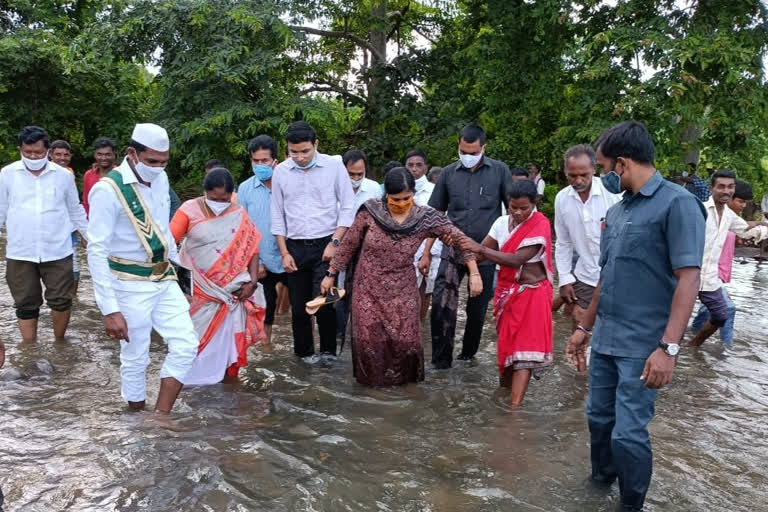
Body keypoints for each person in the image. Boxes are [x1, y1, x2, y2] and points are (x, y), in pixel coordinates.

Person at [566, 121, 705, 512]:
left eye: (604, 166)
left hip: (644, 345)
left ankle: (631, 506)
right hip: (607, 338)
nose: (603, 175)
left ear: (622, 164)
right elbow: (606, 278)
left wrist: (669, 348)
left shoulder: (678, 204)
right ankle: (598, 489)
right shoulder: (618, 210)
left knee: (628, 434)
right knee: (598, 421)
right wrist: (583, 328)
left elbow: (689, 278)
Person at [320, 167, 479, 386]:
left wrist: (474, 272)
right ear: (386, 195)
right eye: (396, 199)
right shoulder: (370, 212)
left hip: (403, 287)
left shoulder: (425, 217)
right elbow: (348, 245)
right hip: (367, 287)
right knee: (370, 343)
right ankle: (373, 394)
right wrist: (331, 274)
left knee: (406, 342)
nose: (402, 203)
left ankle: (407, 392)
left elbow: (460, 239)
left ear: (414, 194)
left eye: (407, 198)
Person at [87, 123, 198, 413]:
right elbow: (96, 250)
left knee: (187, 344)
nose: (158, 168)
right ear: (132, 154)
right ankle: (135, 416)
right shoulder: (107, 190)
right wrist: (109, 309)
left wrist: (183, 284)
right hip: (128, 283)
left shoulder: (161, 180)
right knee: (136, 355)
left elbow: (165, 236)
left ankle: (160, 416)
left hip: (164, 279)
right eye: (152, 162)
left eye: (164, 162)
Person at [424, 124, 512, 368]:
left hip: (484, 250)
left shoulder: (500, 171)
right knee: (441, 303)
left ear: (484, 148)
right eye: (464, 151)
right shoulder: (449, 174)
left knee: (477, 308)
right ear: (458, 147)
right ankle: (441, 361)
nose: (468, 156)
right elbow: (436, 214)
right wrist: (425, 253)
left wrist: (510, 251)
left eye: (473, 152)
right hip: (451, 248)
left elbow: (513, 211)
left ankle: (467, 357)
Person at [459, 179, 553, 405]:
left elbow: (517, 259)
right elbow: (479, 253)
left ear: (535, 203)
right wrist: (465, 252)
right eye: (514, 207)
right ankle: (504, 397)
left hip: (532, 294)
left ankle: (514, 409)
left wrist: (478, 249)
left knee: (524, 353)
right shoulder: (501, 223)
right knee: (507, 349)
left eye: (524, 208)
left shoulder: (541, 223)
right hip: (506, 295)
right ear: (507, 204)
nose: (518, 213)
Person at [170, 168, 266, 384]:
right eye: (214, 198)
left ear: (232, 195)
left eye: (224, 199)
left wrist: (252, 282)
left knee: (225, 347)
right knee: (191, 343)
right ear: (205, 193)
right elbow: (168, 243)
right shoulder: (188, 210)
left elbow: (253, 249)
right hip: (196, 291)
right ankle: (189, 386)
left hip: (231, 294)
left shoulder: (238, 213)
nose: (219, 204)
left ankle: (225, 389)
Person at [271, 121, 355, 361]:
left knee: (324, 303)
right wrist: (284, 252)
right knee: (298, 310)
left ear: (316, 144)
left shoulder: (334, 166)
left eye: (305, 151)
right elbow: (277, 214)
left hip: (326, 244)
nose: (299, 157)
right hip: (295, 246)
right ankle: (303, 359)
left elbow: (348, 206)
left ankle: (328, 356)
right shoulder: (281, 172)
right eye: (293, 152)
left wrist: (335, 242)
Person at [0, 126, 88, 342]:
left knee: (61, 299)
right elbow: (1, 208)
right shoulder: (7, 174)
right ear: (20, 149)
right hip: (21, 251)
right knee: (25, 302)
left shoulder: (63, 176)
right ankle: (30, 349)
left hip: (57, 250)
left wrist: (89, 237)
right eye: (27, 152)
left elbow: (74, 209)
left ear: (47, 151)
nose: (33, 157)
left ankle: (59, 342)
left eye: (38, 153)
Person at [689, 170, 767, 347]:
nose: (726, 191)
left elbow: (744, 229)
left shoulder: (729, 215)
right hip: (688, 274)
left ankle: (693, 346)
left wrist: (763, 229)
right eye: (721, 186)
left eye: (730, 187)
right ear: (712, 188)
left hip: (710, 279)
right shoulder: (699, 209)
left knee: (721, 315)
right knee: (672, 316)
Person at [555, 144, 621, 327]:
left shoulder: (614, 194)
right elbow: (563, 242)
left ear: (594, 169)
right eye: (572, 175)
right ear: (565, 172)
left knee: (612, 326)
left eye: (583, 175)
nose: (578, 180)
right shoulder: (562, 199)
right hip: (586, 274)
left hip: (618, 275)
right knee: (580, 321)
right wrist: (565, 278)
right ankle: (580, 356)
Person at [238, 135, 287, 344]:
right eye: (255, 161)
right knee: (264, 309)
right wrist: (253, 263)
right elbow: (243, 231)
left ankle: (305, 352)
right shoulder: (245, 189)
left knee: (303, 308)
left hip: (290, 258)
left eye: (264, 161)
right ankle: (268, 351)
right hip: (261, 261)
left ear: (275, 160)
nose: (260, 165)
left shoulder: (287, 184)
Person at [336, 149, 383, 342]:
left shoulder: (373, 189)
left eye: (360, 174)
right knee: (338, 293)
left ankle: (360, 335)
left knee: (364, 294)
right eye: (351, 174)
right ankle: (338, 335)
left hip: (366, 251)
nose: (355, 178)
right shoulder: (333, 187)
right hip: (339, 248)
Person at [406, 149, 440, 320]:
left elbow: (437, 224)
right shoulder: (399, 189)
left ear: (426, 168)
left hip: (428, 248)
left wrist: (428, 252)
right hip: (404, 248)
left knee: (424, 290)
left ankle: (419, 326)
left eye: (419, 165)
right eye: (410, 165)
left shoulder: (435, 191)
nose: (414, 169)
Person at [49, 139, 82, 296]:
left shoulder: (69, 173)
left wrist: (81, 229)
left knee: (75, 266)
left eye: (66, 155)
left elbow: (75, 205)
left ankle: (72, 299)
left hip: (69, 229)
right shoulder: (40, 174)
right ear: (50, 155)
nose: (62, 158)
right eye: (58, 154)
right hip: (49, 230)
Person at [83, 137, 118, 215]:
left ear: (114, 155)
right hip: (94, 219)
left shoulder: (120, 175)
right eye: (99, 154)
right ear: (94, 155)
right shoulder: (88, 175)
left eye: (108, 154)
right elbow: (86, 201)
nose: (103, 158)